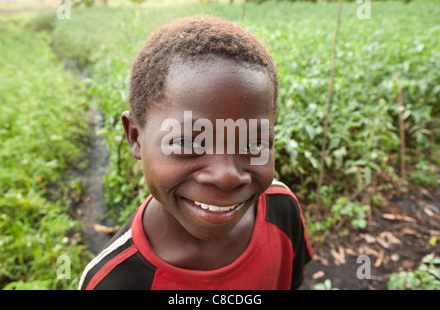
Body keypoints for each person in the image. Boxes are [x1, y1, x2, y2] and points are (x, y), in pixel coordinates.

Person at [79, 15, 313, 290]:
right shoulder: (112, 282)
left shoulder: (282, 210)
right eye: (188, 143)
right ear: (135, 137)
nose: (227, 176)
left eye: (253, 144)